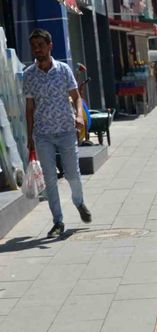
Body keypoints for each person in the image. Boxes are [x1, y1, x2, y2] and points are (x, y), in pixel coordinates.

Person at [23, 28, 92, 238]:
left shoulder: (63, 70)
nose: (37, 50)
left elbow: (76, 96)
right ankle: (58, 221)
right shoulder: (28, 75)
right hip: (43, 134)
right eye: (34, 47)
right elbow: (29, 108)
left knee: (72, 174)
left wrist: (79, 116)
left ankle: (79, 202)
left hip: (66, 131)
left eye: (41, 46)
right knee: (50, 179)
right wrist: (30, 138)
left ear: (50, 46)